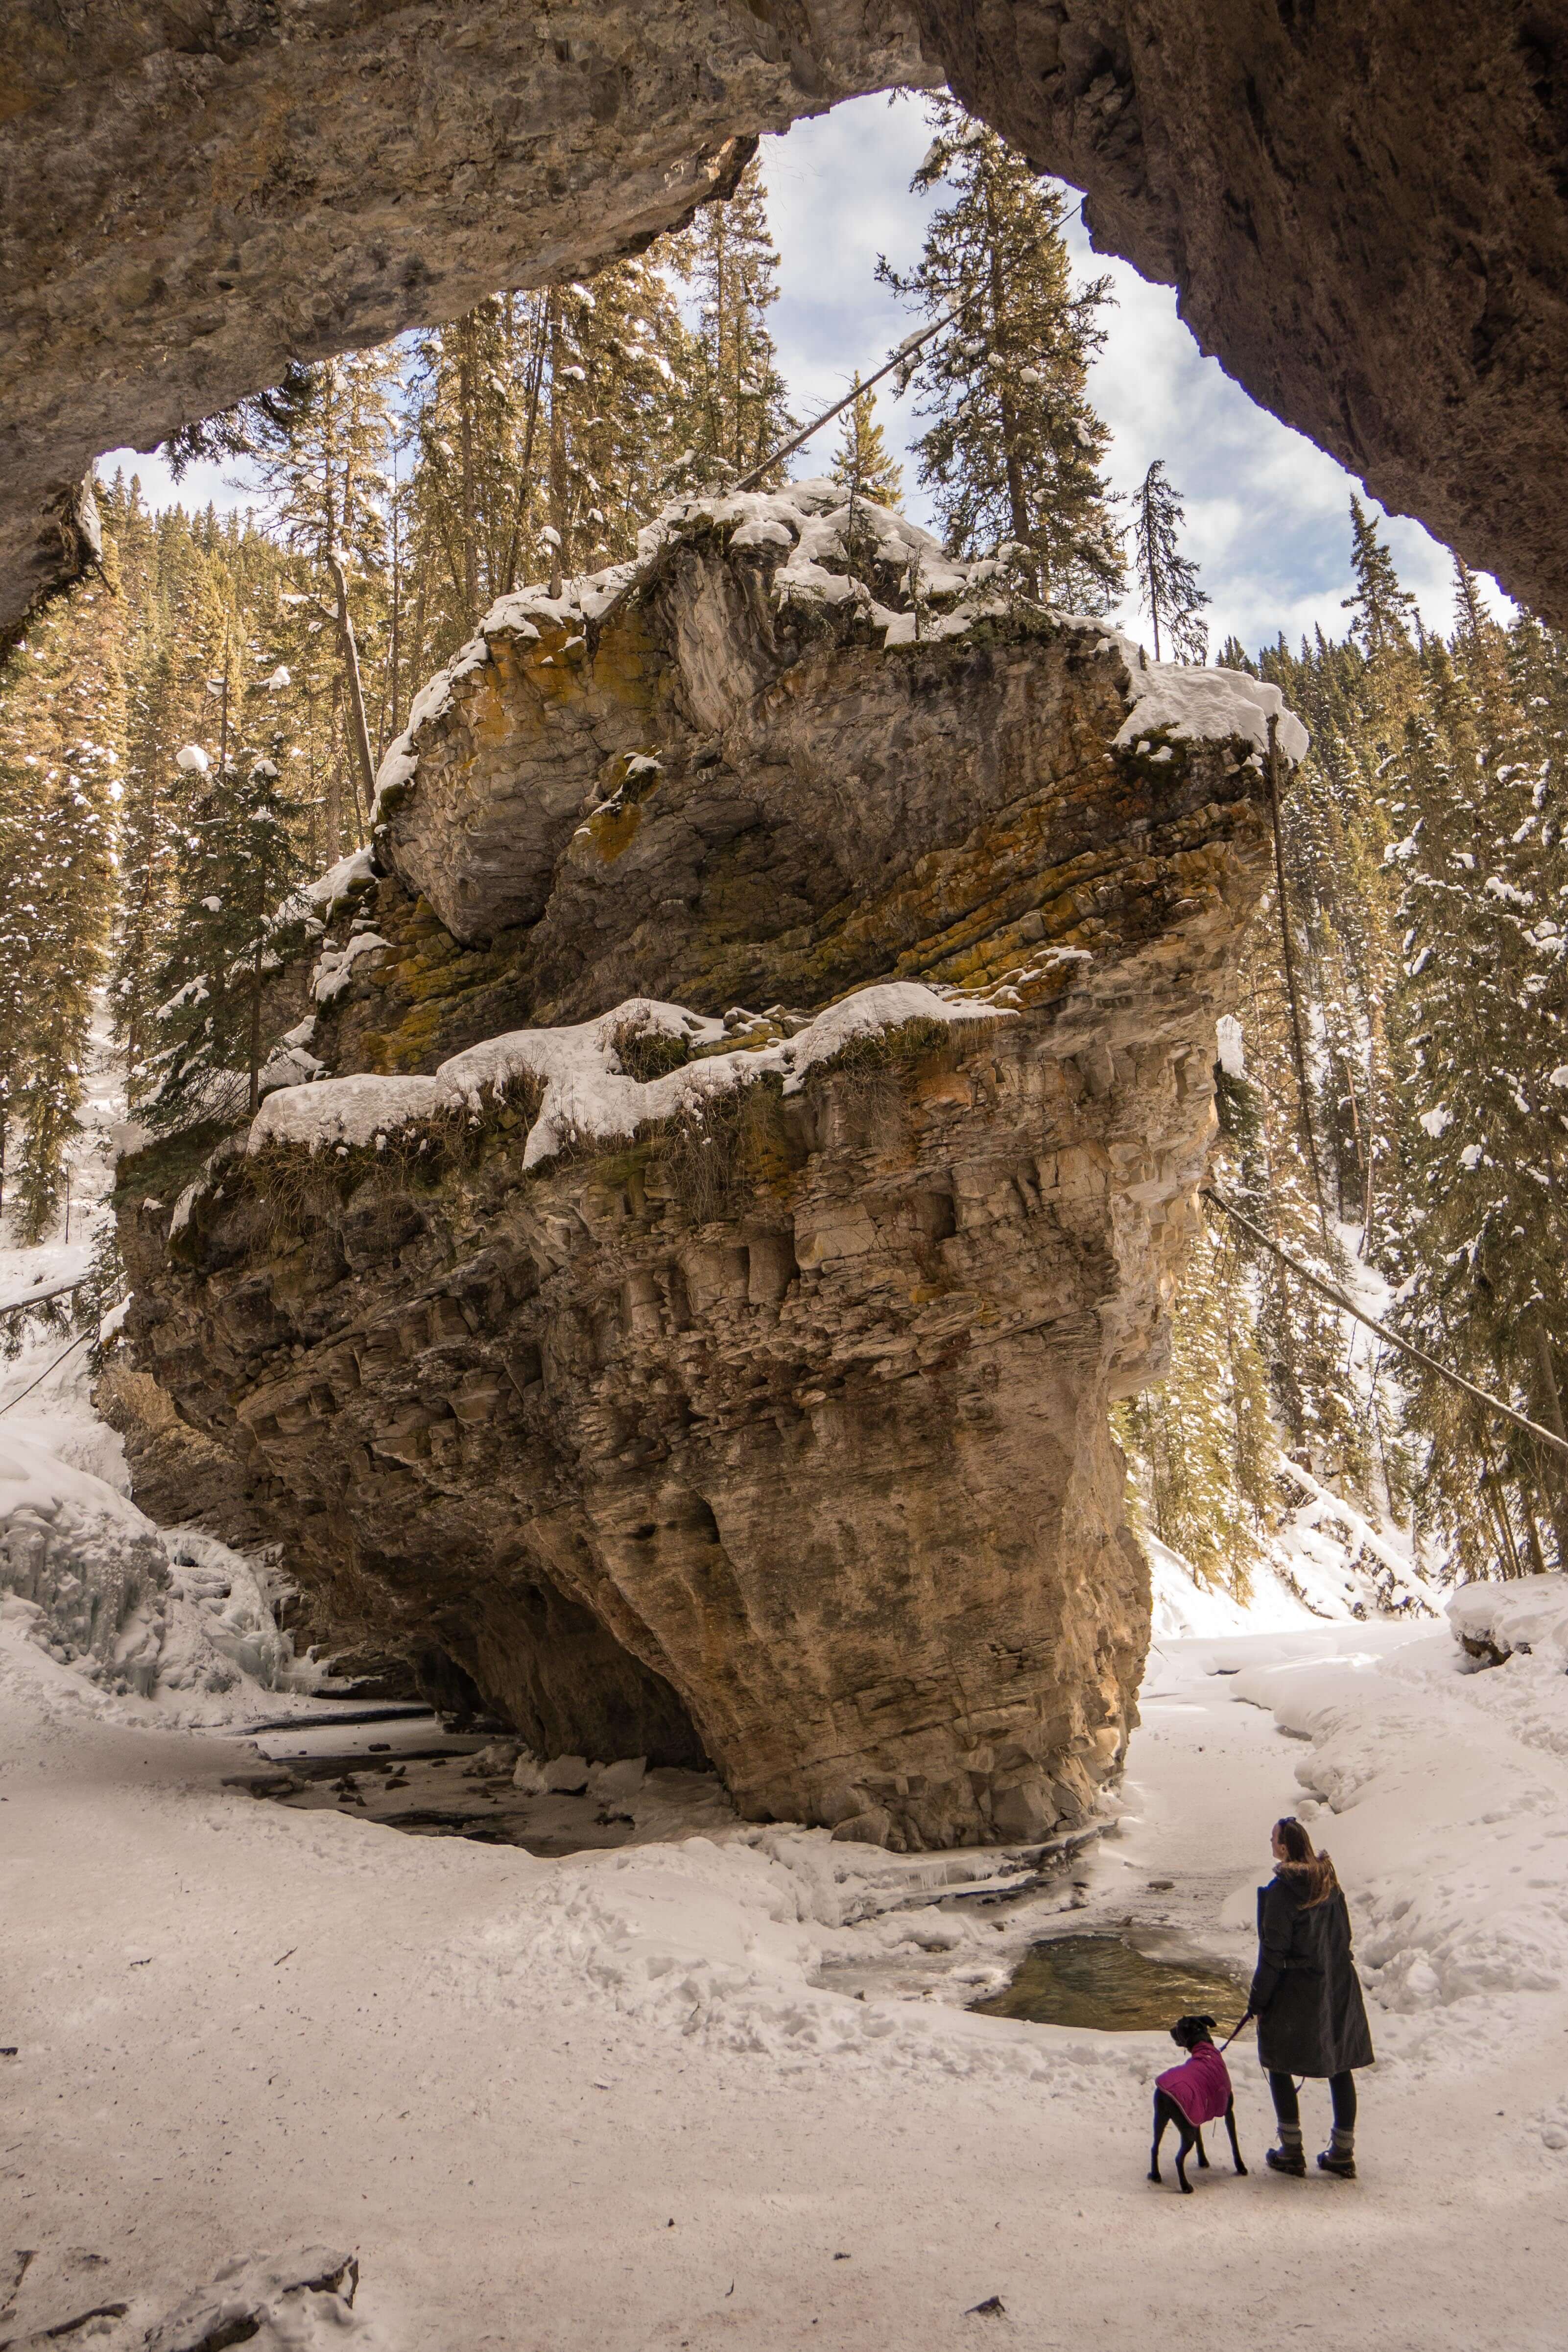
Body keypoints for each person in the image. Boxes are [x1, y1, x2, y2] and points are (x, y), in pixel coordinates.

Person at [1246, 1815, 1375, 2178]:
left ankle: (1291, 2150)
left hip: (1296, 1992)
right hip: (1337, 1987)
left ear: (1284, 1847)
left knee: (1279, 2062)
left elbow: (1273, 1953)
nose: (1271, 1842)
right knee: (1340, 2062)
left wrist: (1258, 1999)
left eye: (1273, 1838)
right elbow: (1344, 1936)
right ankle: (1343, 2152)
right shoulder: (1329, 1884)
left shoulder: (1281, 1892)